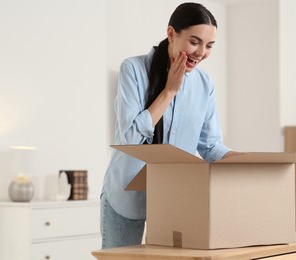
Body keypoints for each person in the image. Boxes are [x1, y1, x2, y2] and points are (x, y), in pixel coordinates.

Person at [100, 2, 239, 249]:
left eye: (209, 46)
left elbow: (209, 146)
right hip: (125, 196)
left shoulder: (204, 84)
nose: (201, 52)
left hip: (173, 199)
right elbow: (129, 140)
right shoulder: (133, 69)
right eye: (195, 42)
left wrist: (240, 159)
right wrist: (169, 91)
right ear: (171, 33)